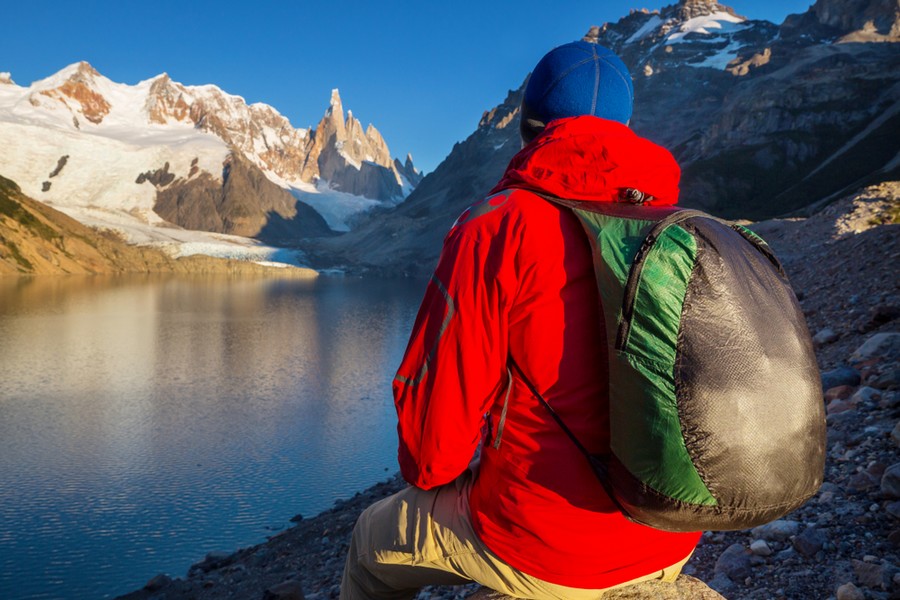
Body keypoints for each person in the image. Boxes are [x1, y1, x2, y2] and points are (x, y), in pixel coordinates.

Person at [340, 41, 701, 600]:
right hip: (672, 530)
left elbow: (432, 455)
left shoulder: (497, 227)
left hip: (548, 547)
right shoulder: (678, 228)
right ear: (625, 130)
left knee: (370, 541)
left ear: (529, 125)